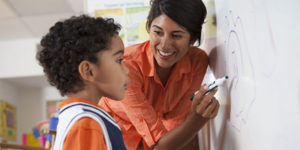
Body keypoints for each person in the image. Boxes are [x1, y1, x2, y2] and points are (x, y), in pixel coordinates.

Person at [99, 0, 220, 149]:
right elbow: (161, 144)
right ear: (149, 27)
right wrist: (198, 119)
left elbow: (177, 123)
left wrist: (195, 118)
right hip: (112, 139)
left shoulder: (197, 62)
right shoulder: (127, 69)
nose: (164, 45)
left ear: (193, 39)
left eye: (176, 36)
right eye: (158, 32)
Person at [36, 15, 130, 150]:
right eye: (119, 60)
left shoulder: (76, 117)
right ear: (88, 71)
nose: (127, 70)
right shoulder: (87, 124)